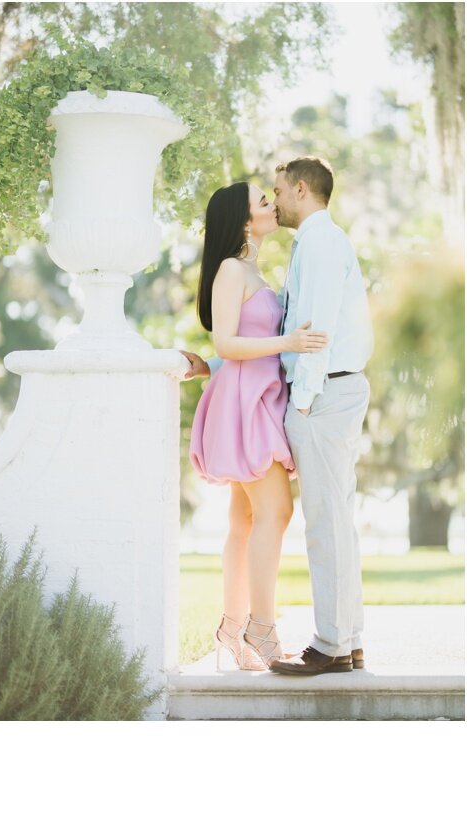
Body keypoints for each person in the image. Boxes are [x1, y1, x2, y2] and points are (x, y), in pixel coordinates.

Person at [183, 156, 373, 676]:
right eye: (261, 199)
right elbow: (233, 338)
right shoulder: (234, 269)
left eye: (274, 193)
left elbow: (260, 342)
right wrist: (224, 360)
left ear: (300, 189)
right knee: (271, 516)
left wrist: (299, 391)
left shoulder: (269, 265)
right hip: (249, 404)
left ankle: (239, 625)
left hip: (271, 398)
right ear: (244, 221)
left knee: (251, 519)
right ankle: (259, 627)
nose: (271, 201)